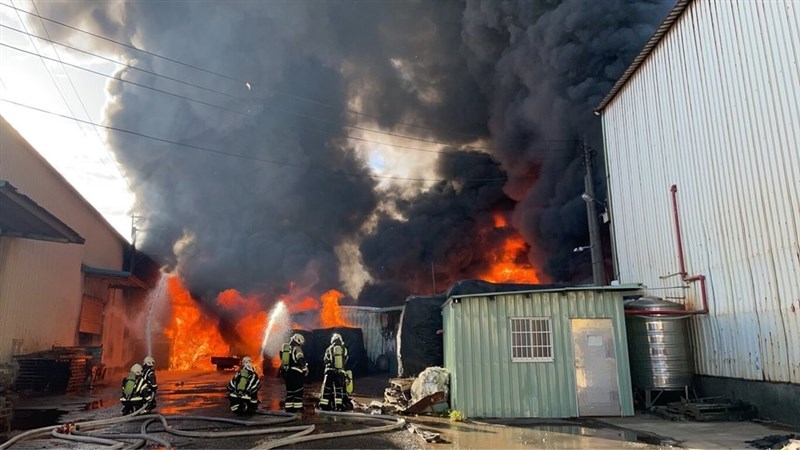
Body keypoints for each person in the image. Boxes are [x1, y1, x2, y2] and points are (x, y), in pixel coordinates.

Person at [318, 333, 352, 411]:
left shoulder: (329, 349)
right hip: (340, 372)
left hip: (329, 371)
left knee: (327, 389)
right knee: (338, 389)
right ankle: (339, 406)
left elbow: (325, 360)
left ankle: (324, 406)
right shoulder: (344, 349)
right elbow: (346, 359)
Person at [280, 333, 309, 412]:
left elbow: (283, 361)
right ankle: (298, 408)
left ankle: (289, 409)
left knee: (290, 392)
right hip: (296, 373)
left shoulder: (286, 349)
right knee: (298, 391)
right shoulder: (297, 348)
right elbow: (300, 359)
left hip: (287, 373)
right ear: (298, 340)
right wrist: (305, 369)